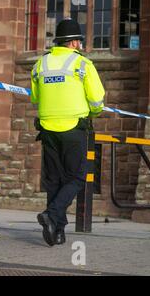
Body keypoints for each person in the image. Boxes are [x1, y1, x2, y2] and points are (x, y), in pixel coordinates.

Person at [31, 18, 105, 246]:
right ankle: (51, 215)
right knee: (76, 177)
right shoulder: (82, 64)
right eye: (79, 42)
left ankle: (57, 231)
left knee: (54, 180)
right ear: (73, 42)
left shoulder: (40, 64)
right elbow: (96, 99)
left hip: (48, 129)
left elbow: (35, 98)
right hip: (74, 127)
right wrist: (94, 112)